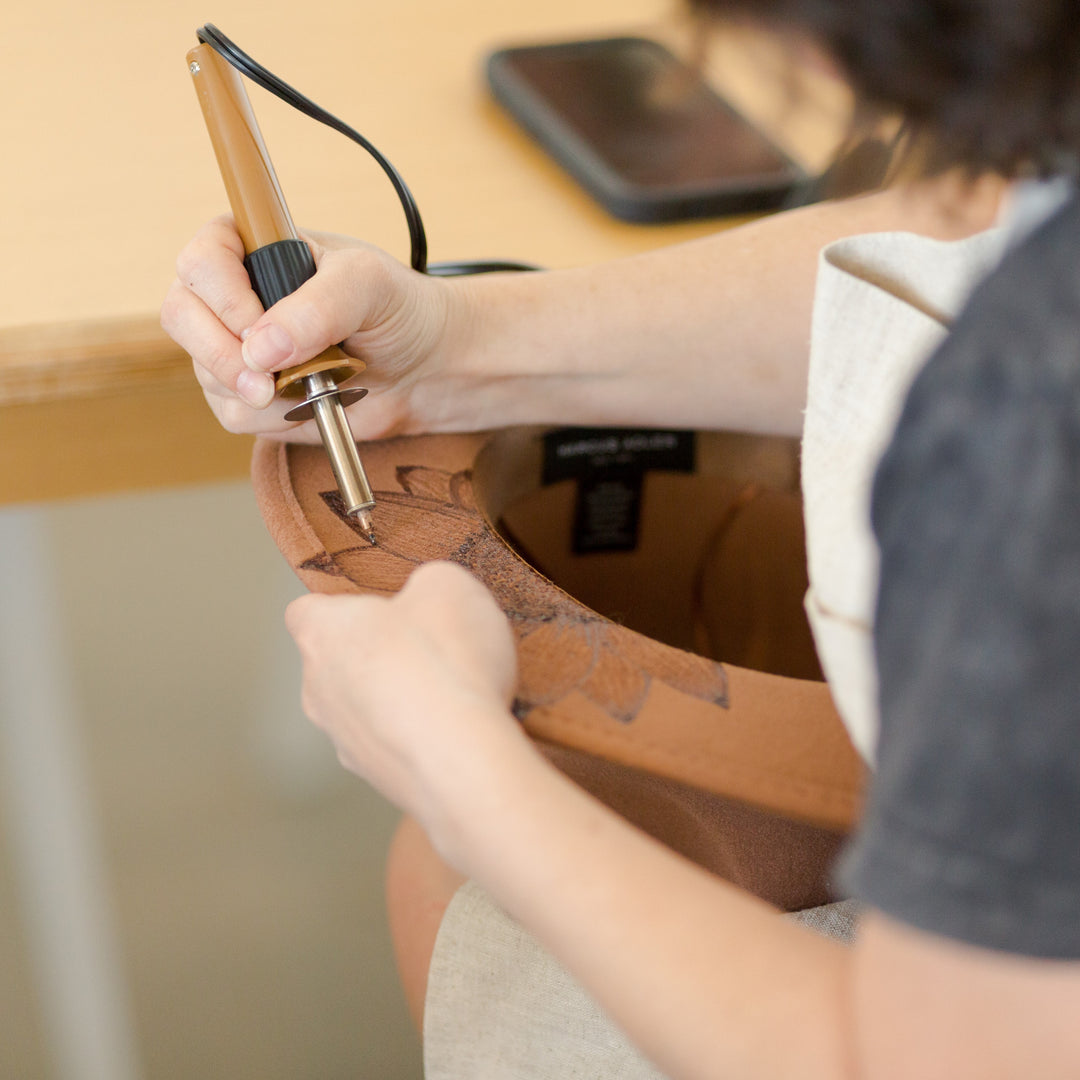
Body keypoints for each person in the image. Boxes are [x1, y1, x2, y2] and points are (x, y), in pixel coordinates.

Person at [161, 0, 1080, 1075]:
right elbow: (971, 252)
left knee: (457, 892)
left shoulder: (1027, 414)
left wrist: (461, 776)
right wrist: (452, 349)